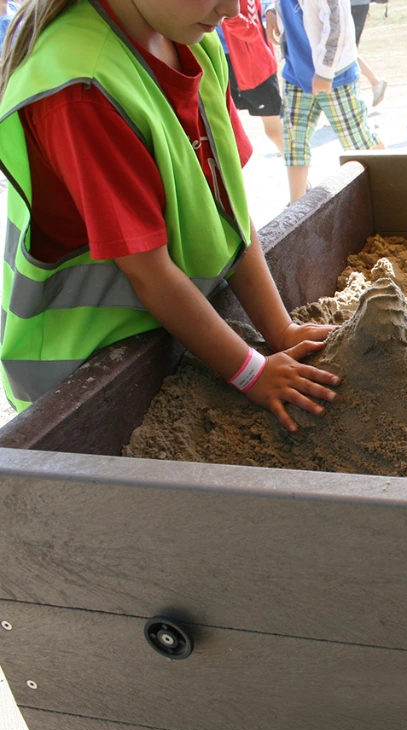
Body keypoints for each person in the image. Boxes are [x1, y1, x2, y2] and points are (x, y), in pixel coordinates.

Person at [0, 0, 341, 432]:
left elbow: (230, 209)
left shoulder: (195, 41)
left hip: (173, 336)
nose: (233, 10)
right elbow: (149, 273)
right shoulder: (81, 86)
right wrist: (253, 372)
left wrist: (281, 330)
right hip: (81, 376)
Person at [272, 0, 384, 205]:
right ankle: (296, 208)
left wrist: (325, 71)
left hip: (334, 75)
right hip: (296, 72)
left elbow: (337, 22)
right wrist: (271, 10)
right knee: (294, 142)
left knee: (357, 140)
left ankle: (391, 184)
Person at [218, 0, 285, 155]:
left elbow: (251, 31)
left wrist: (223, 12)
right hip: (218, 62)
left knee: (273, 131)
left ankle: (301, 177)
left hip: (253, 67)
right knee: (223, 133)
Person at [350, 0, 387, 107]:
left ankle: (374, 83)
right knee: (346, 51)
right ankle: (375, 83)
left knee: (346, 51)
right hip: (352, 5)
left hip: (353, 5)